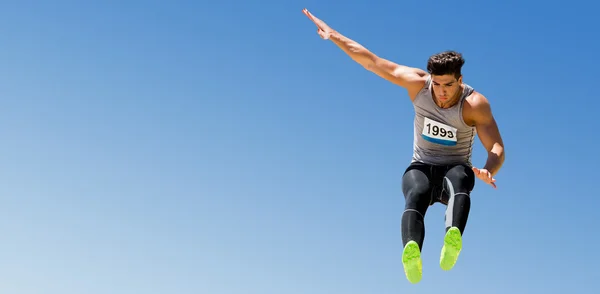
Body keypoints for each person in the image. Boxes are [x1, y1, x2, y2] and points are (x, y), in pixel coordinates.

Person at [302, 8, 506, 284]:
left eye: (448, 85)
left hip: (453, 168)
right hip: (422, 165)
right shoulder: (419, 85)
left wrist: (488, 169)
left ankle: (453, 239)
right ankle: (412, 253)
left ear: (460, 80)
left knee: (461, 176)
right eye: (437, 85)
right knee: (416, 192)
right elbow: (373, 62)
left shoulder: (474, 104)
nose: (441, 92)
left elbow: (496, 146)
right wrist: (334, 35)